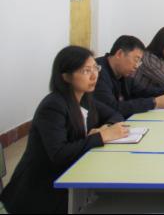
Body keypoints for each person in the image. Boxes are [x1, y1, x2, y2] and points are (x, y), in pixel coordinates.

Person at [0, 46, 129, 213]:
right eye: (86, 71)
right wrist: (101, 137)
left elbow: (115, 114)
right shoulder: (53, 106)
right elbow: (59, 154)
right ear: (66, 76)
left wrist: (107, 128)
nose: (94, 75)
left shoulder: (85, 98)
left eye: (95, 68)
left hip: (68, 177)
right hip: (40, 191)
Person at [94, 35, 164, 119]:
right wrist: (154, 103)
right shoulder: (97, 73)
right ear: (119, 54)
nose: (137, 66)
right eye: (136, 60)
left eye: (139, 62)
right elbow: (113, 108)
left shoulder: (123, 72)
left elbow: (142, 90)